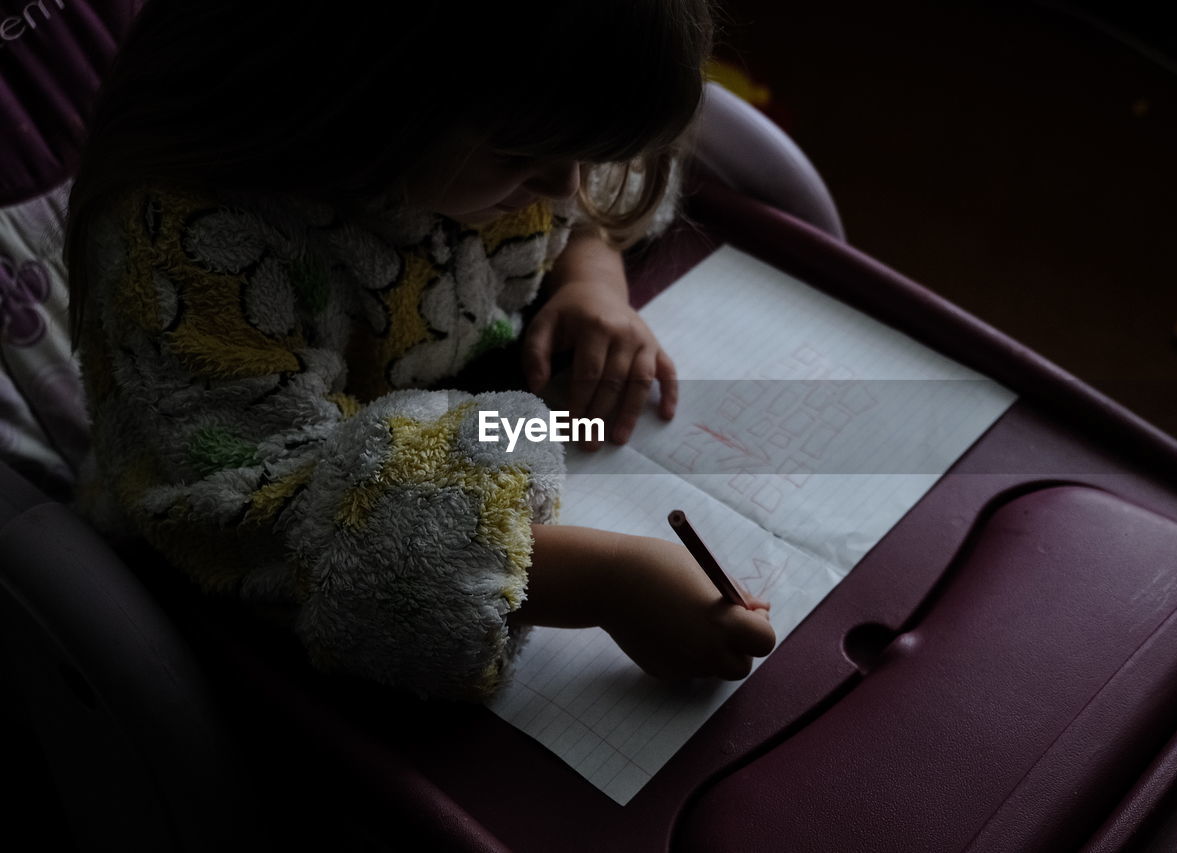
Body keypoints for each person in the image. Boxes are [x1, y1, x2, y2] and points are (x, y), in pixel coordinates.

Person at [65, 0, 776, 702]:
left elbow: (585, 183)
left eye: (583, 157)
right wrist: (602, 580)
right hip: (215, 615)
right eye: (523, 157)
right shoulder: (191, 248)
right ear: (355, 93)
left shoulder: (513, 121)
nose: (563, 187)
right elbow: (282, 524)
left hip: (463, 403)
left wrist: (593, 282)